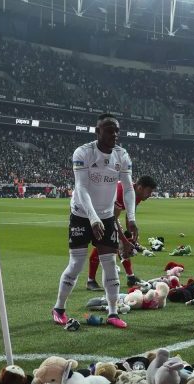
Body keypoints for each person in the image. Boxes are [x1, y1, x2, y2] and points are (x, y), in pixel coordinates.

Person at [52, 113, 137, 330]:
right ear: (98, 131)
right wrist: (92, 218)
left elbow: (128, 188)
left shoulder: (122, 155)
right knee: (76, 263)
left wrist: (132, 218)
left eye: (117, 130)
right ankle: (59, 308)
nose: (115, 134)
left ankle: (113, 312)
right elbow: (80, 188)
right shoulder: (83, 152)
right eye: (109, 130)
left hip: (107, 216)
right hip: (82, 214)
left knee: (110, 263)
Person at [87, 175, 157, 291]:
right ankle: (90, 280)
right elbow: (113, 219)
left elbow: (130, 213)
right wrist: (124, 240)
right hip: (94, 210)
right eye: (149, 192)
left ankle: (130, 277)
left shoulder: (136, 194)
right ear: (140, 188)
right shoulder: (121, 192)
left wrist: (131, 235)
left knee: (121, 242)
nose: (150, 195)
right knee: (104, 243)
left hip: (107, 212)